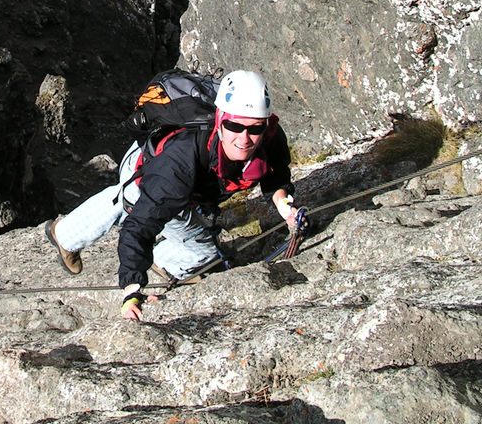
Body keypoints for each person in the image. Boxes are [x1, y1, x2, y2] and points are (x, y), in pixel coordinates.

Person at [45, 70, 297, 321]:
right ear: (220, 119)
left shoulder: (268, 137)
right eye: (234, 126)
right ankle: (66, 235)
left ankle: (161, 259)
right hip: (147, 165)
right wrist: (132, 289)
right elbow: (140, 226)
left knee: (205, 258)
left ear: (265, 124)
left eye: (254, 128)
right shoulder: (182, 158)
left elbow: (275, 176)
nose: (244, 138)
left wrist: (284, 204)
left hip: (190, 193)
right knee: (134, 199)